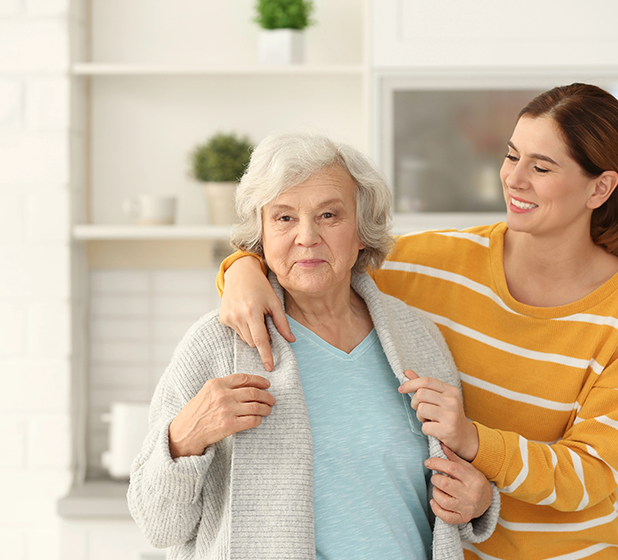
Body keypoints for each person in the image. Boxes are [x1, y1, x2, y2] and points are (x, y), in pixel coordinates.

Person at [216, 83, 618, 559]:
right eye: (512, 156)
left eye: (541, 167)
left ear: (600, 188)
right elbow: (314, 261)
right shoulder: (432, 263)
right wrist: (242, 267)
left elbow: (591, 475)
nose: (515, 179)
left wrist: (473, 442)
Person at [127, 130, 500, 560]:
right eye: (284, 218)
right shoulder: (217, 344)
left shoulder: (416, 338)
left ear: (362, 230)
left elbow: (457, 487)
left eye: (328, 215)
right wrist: (184, 437)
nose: (307, 236)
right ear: (261, 235)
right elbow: (157, 524)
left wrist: (479, 501)